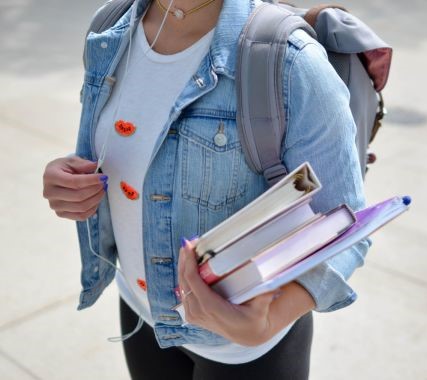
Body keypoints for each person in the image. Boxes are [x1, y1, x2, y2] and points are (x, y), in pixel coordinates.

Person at [42, 0, 369, 378]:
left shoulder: (291, 62)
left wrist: (267, 320)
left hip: (247, 353)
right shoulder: (109, 27)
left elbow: (346, 224)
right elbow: (133, 146)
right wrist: (70, 178)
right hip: (140, 310)